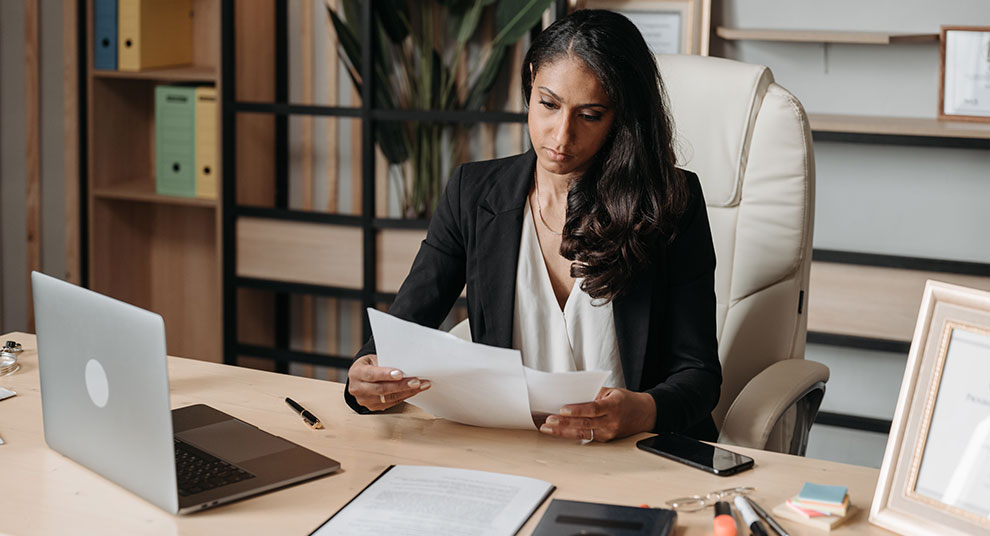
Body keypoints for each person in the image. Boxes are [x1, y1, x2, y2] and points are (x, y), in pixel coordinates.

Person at [345, 9, 721, 442]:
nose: (560, 137)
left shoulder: (671, 202)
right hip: (513, 447)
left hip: (634, 450)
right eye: (548, 104)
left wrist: (641, 411)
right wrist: (366, 373)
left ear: (622, 117)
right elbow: (405, 327)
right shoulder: (474, 193)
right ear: (529, 84)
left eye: (590, 115)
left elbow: (699, 375)